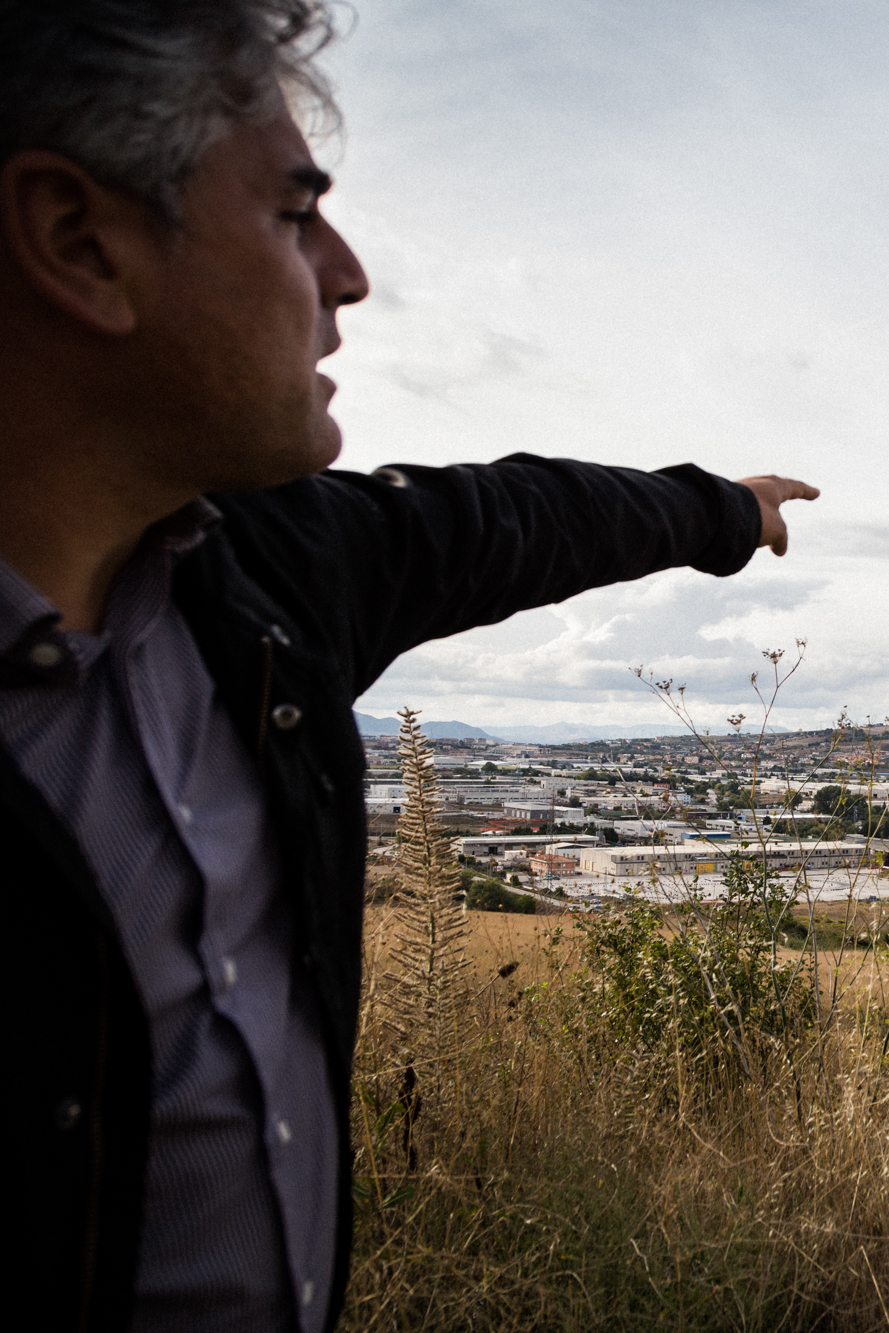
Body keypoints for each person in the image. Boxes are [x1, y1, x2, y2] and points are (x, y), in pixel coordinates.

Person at [0, 3, 817, 1328]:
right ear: (82, 243)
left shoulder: (261, 582)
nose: (349, 273)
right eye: (291, 212)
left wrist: (722, 511)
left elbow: (517, 519)